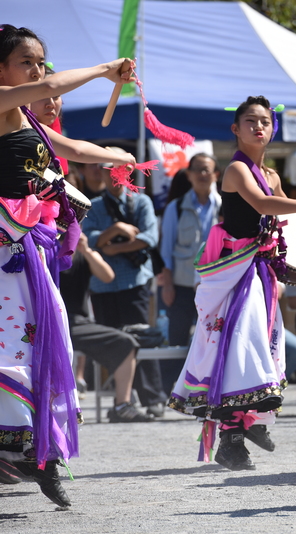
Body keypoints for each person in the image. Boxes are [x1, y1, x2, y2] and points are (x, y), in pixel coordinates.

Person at [0, 24, 135, 507]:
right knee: (15, 351)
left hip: (30, 255)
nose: (38, 71)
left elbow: (72, 150)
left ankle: (41, 454)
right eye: (27, 62)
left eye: (40, 62)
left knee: (46, 348)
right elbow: (52, 89)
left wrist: (119, 156)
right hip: (4, 258)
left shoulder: (24, 118)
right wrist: (104, 69)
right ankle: (24, 451)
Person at [168, 96, 296, 471]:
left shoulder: (273, 175)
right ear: (236, 128)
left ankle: (251, 419)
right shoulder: (235, 171)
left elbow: (285, 216)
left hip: (261, 271)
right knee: (238, 348)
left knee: (263, 343)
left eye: (265, 122)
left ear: (273, 129)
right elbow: (264, 206)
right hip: (234, 271)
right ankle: (231, 438)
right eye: (250, 121)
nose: (259, 127)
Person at [82, 150, 168, 417]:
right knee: (112, 341)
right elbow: (89, 239)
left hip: (135, 283)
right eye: (108, 171)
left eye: (119, 171)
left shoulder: (141, 202)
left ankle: (153, 396)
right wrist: (117, 229)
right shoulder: (93, 205)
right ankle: (123, 399)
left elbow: (149, 238)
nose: (114, 176)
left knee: (143, 337)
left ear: (128, 173)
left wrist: (112, 247)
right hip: (103, 286)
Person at [61, 233, 152, 422]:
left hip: (78, 323)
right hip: (50, 321)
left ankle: (122, 405)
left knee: (126, 343)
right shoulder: (45, 250)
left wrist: (85, 249)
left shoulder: (83, 254)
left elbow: (108, 276)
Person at [158, 154, 221, 390]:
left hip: (215, 285)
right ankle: (165, 391)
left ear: (216, 175)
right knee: (177, 338)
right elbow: (166, 249)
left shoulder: (224, 206)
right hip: (183, 284)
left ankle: (205, 390)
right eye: (198, 170)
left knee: (211, 338)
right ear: (189, 174)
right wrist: (168, 284)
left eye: (208, 170)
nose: (203, 175)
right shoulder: (175, 207)